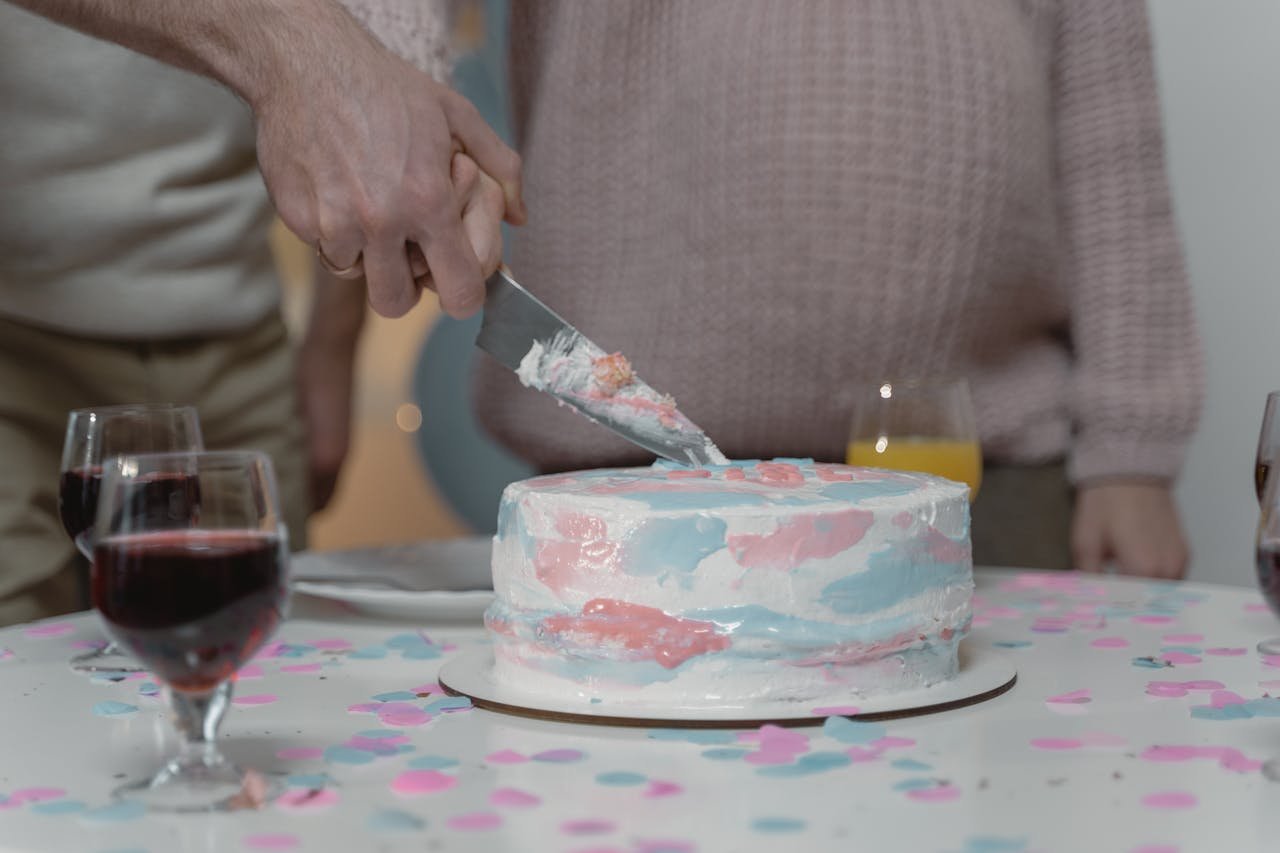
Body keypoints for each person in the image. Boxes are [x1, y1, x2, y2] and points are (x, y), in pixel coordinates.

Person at [12, 1, 1202, 580]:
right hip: (623, 499)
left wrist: (1136, 451)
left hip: (989, 477)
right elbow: (408, 11)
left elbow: (1108, 116)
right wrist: (396, 98)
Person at [468, 1, 1204, 579]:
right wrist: (371, 78)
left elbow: (1111, 144)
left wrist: (1133, 452)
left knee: (1003, 762)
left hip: (987, 474)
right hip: (625, 476)